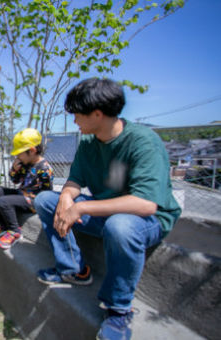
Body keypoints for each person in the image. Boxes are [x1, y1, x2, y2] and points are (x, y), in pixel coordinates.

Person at [34, 78, 181, 340]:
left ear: (97, 114)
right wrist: (67, 198)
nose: (74, 121)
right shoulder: (89, 143)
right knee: (46, 200)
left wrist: (81, 209)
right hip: (106, 213)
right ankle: (73, 269)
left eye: (77, 115)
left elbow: (145, 203)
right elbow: (75, 181)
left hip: (147, 219)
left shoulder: (143, 142)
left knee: (120, 225)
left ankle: (118, 309)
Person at [0, 128, 54, 249]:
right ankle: (1, 225)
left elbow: (46, 193)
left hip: (34, 200)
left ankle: (14, 231)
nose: (17, 156)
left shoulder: (45, 168)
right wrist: (14, 169)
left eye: (19, 153)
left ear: (31, 151)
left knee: (3, 201)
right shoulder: (25, 163)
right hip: (22, 194)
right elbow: (15, 180)